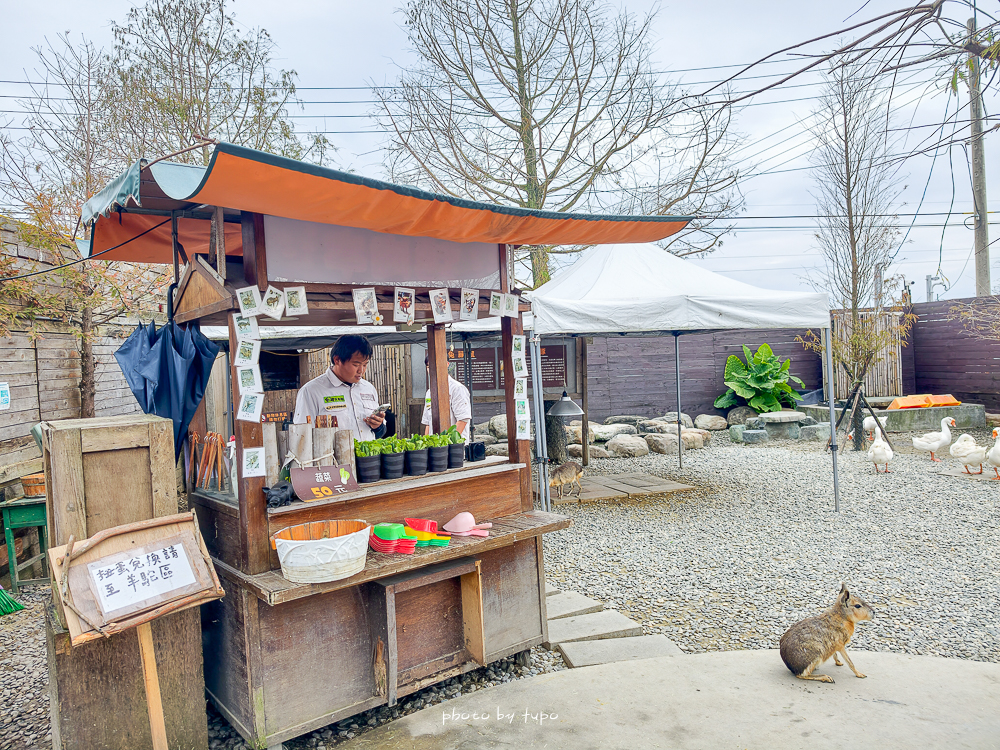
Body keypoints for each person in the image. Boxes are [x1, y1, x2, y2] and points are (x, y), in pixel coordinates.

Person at [294, 335, 386, 440]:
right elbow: (302, 436)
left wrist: (378, 426)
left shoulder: (369, 389)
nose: (361, 370)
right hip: (332, 456)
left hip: (367, 456)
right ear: (337, 360)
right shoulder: (311, 391)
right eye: (356, 365)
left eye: (365, 364)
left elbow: (378, 433)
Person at [421, 355, 472, 441]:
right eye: (429, 367)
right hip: (435, 448)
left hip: (455, 447)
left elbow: (463, 419)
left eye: (436, 366)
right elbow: (427, 423)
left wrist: (449, 442)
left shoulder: (457, 389)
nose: (432, 370)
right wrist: (425, 443)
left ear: (447, 364)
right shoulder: (429, 393)